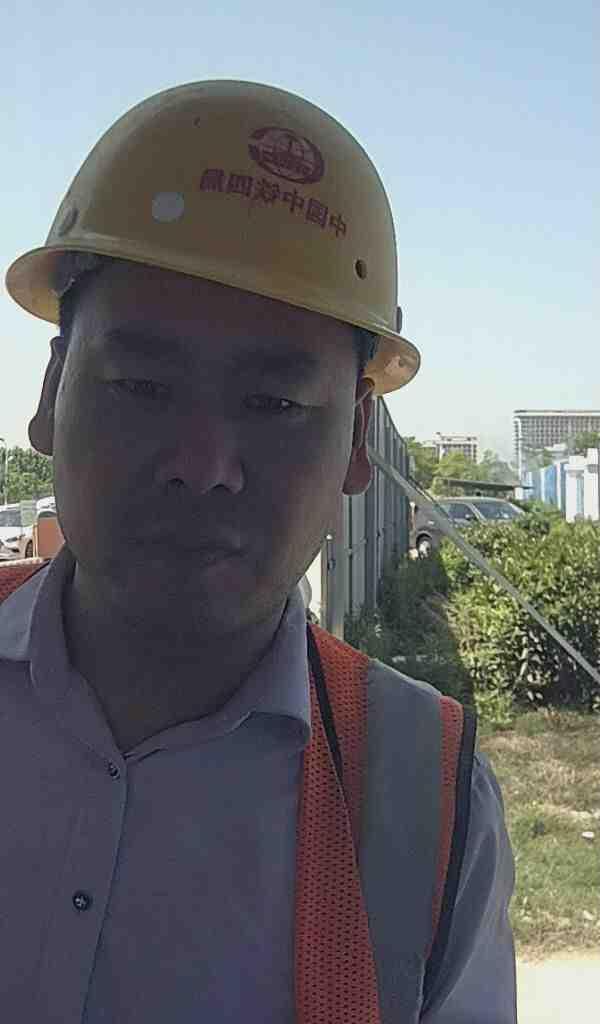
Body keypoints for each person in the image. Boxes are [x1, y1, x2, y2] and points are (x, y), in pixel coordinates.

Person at [1, 81, 516, 1021]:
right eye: (142, 384)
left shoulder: (429, 803)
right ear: (50, 393)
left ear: (356, 443)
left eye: (275, 404)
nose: (203, 468)